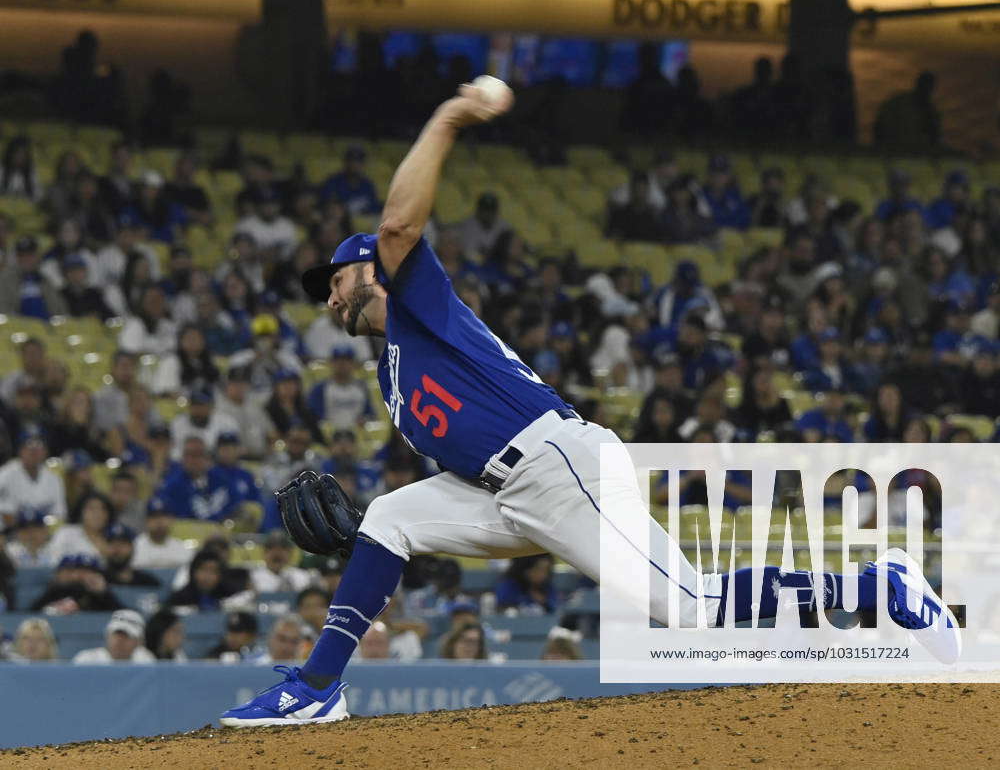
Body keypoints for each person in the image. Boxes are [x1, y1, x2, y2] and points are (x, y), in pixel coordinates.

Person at [222, 79, 958, 728]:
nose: (328, 294)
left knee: (692, 607)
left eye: (336, 278)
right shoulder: (391, 367)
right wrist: (373, 552)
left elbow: (397, 228)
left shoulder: (416, 303)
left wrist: (449, 117)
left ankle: (876, 584)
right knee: (387, 518)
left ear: (368, 273)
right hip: (504, 491)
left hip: (557, 465)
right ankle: (316, 687)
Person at [0, 427, 68, 525]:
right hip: (10, 534)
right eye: (28, 446)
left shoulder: (54, 479)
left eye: (39, 446)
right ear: (20, 450)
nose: (34, 451)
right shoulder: (4, 475)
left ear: (46, 451)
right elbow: (6, 517)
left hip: (45, 534)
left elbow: (60, 516)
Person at [306, 346, 375, 429]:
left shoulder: (361, 387)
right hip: (330, 435)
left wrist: (364, 419)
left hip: (357, 435)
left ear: (354, 364)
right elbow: (313, 416)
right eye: (338, 360)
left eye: (347, 361)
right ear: (331, 363)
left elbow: (370, 414)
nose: (342, 364)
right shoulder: (320, 389)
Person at [0, 236, 67, 319]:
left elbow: (60, 312)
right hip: (17, 329)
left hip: (47, 328)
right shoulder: (5, 280)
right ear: (17, 258)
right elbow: (3, 312)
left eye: (30, 255)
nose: (26, 259)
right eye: (22, 255)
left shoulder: (45, 280)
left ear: (38, 256)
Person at [31, 554, 123, 613]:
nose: (80, 576)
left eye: (87, 571)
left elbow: (121, 616)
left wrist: (104, 593)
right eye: (77, 571)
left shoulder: (100, 596)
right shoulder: (56, 592)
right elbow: (32, 613)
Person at [169, 387, 238, 459]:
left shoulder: (227, 422)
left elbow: (234, 451)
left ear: (211, 406)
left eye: (202, 405)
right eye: (195, 405)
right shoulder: (177, 423)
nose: (198, 409)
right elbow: (173, 452)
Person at [47, 492, 113, 564]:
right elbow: (53, 561)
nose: (97, 513)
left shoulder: (114, 537)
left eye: (102, 509)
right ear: (81, 511)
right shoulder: (66, 533)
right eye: (91, 508)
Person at [73, 609, 156, 664]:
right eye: (116, 634)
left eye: (126, 636)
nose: (119, 640)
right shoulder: (86, 660)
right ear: (107, 635)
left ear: (139, 641)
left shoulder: (145, 661)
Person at [319, 146, 380, 216]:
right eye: (352, 160)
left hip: (363, 224)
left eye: (359, 161)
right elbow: (326, 206)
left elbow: (374, 208)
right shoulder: (333, 182)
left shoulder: (368, 185)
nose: (355, 164)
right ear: (346, 162)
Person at [132, 499, 191, 570]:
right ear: (146, 520)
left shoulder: (182, 549)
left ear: (172, 519)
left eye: (164, 516)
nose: (159, 521)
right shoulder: (135, 547)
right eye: (154, 516)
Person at [92, 351, 140, 434]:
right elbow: (103, 426)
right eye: (123, 366)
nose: (127, 371)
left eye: (130, 366)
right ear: (113, 369)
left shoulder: (142, 395)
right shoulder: (102, 396)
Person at [104, 521, 161, 587]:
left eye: (123, 544)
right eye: (112, 543)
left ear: (132, 548)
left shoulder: (148, 582)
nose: (117, 549)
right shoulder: (95, 580)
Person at [0, 135, 40, 200]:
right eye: (17, 153)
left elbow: (37, 196)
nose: (20, 157)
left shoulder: (30, 172)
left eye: (23, 154)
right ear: (10, 154)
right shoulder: (2, 170)